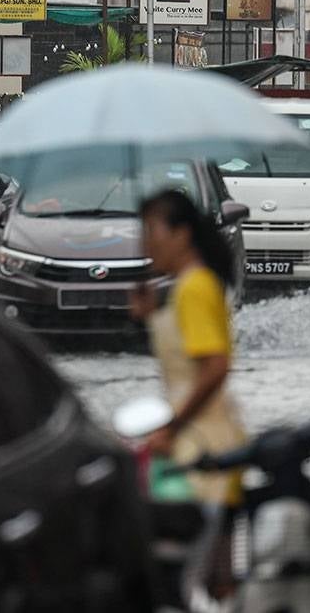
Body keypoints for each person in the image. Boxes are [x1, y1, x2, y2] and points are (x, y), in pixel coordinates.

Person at [130, 189, 247, 505]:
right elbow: (183, 357)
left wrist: (171, 427)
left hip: (202, 443)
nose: (146, 243)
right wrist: (149, 317)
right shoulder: (188, 286)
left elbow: (215, 367)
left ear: (181, 235)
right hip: (193, 438)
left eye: (152, 231)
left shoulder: (194, 288)